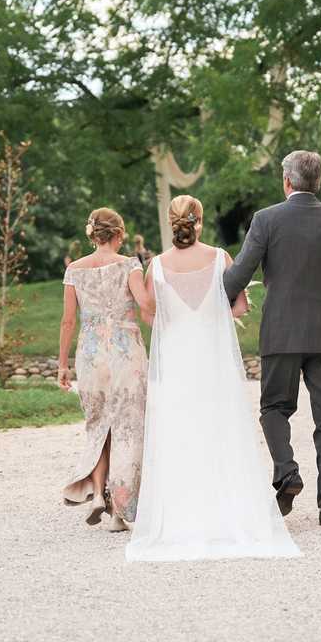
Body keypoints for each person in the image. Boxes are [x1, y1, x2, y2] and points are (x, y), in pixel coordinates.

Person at [126, 194, 300, 563]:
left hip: (177, 359)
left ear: (172, 222)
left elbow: (151, 316)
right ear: (199, 221)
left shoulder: (156, 266)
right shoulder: (220, 258)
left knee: (181, 433)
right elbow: (238, 305)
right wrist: (222, 309)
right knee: (219, 429)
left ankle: (183, 515)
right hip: (211, 357)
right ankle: (226, 511)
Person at [223, 151, 321, 527]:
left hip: (281, 331)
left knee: (274, 408)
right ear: (317, 182)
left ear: (287, 181)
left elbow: (239, 273)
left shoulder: (266, 219)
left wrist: (214, 298)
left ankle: (287, 472)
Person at [58, 207, 153, 531]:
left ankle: (99, 494)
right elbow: (145, 304)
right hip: (126, 354)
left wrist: (62, 364)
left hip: (91, 355)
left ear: (93, 234)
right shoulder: (129, 265)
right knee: (127, 428)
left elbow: (68, 321)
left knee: (98, 426)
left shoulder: (74, 270)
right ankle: (118, 513)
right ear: (119, 234)